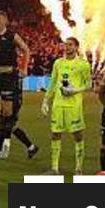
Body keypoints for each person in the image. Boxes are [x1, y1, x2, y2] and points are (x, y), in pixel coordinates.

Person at [42, 37, 90, 175]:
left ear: (76, 47)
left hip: (74, 106)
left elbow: (89, 84)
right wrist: (46, 100)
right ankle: (55, 168)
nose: (67, 47)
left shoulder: (83, 64)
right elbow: (53, 83)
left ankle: (79, 169)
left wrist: (75, 90)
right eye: (66, 45)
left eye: (70, 45)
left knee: (78, 135)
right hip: (58, 105)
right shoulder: (58, 63)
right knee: (55, 134)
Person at [0, 9, 37, 160]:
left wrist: (24, 67)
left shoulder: (11, 36)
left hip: (9, 78)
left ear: (6, 21)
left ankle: (4, 146)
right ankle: (30, 146)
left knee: (7, 116)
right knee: (5, 119)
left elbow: (26, 49)